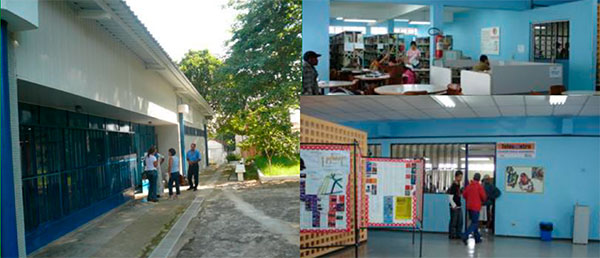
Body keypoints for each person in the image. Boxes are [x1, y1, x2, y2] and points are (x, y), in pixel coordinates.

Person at [462, 173, 487, 245]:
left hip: (469, 207)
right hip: (476, 207)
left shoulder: (469, 186)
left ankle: (477, 238)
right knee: (475, 223)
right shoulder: (479, 187)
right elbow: (484, 197)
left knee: (473, 222)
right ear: (479, 179)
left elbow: (464, 195)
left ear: (473, 178)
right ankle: (465, 235)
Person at [447, 170, 463, 239]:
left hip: (459, 206)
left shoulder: (458, 185)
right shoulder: (453, 185)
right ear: (456, 177)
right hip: (454, 207)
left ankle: (458, 234)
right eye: (459, 177)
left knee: (460, 221)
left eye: (461, 177)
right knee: (453, 222)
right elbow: (450, 197)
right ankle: (452, 235)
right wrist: (454, 205)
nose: (460, 178)